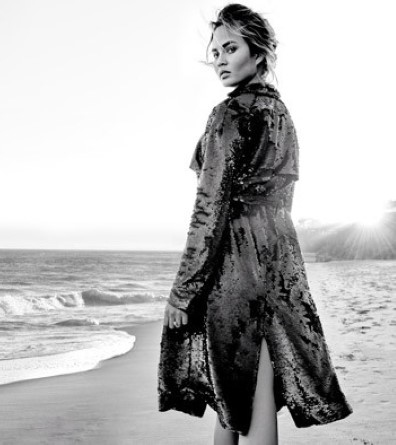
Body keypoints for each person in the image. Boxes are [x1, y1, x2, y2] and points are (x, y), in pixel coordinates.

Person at [157, 4, 353, 444]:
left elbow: (209, 206)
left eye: (231, 48)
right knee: (241, 389)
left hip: (236, 261)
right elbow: (284, 196)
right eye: (215, 52)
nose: (220, 60)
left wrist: (183, 291)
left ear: (258, 52)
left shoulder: (230, 114)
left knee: (243, 390)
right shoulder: (282, 115)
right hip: (280, 258)